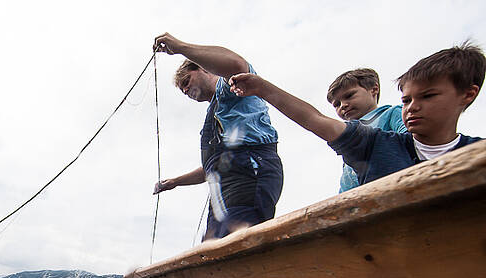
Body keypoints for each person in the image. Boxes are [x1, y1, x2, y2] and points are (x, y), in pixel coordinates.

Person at [228, 43, 484, 186]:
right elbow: (316, 120)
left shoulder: (477, 152)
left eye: (428, 96)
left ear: (467, 95)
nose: (411, 107)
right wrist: (262, 88)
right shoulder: (376, 144)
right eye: (406, 100)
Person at [152, 33, 284, 240]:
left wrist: (180, 47)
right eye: (183, 90)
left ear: (204, 68)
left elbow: (236, 64)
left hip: (248, 173)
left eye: (187, 81)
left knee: (237, 244)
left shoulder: (233, 87)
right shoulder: (213, 112)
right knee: (212, 250)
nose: (186, 89)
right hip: (222, 189)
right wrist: (175, 182)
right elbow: (211, 168)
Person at [326, 68, 406, 192]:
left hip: (392, 186)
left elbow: (412, 140)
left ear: (374, 89)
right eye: (337, 104)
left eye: (349, 96)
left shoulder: (391, 113)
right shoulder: (349, 135)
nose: (343, 105)